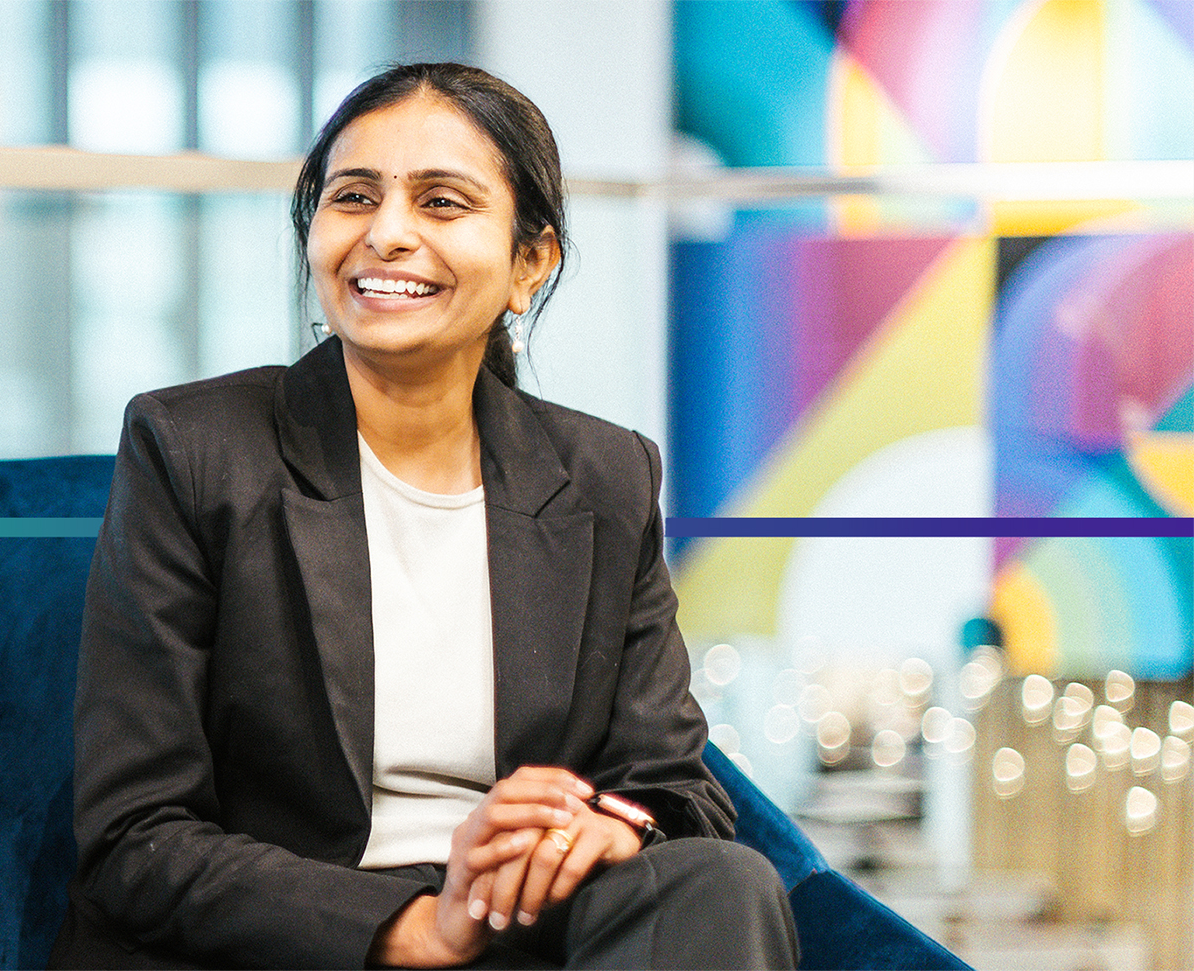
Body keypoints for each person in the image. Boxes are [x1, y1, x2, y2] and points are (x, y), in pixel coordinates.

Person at [60, 63, 799, 969]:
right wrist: (416, 927)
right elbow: (134, 832)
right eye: (354, 196)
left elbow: (672, 783)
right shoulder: (194, 447)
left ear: (531, 263)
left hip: (522, 930)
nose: (388, 234)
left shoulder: (604, 474)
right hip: (292, 938)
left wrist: (603, 828)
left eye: (443, 203)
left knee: (725, 885)